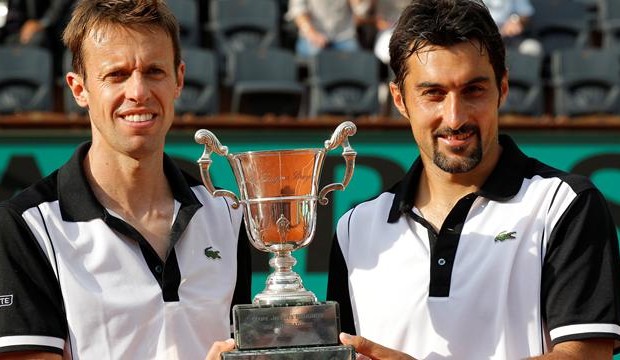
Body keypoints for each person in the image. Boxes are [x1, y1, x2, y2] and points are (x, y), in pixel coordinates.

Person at [326, 0, 620, 359]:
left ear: (503, 88)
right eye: (433, 93)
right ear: (400, 100)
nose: (455, 117)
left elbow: (586, 356)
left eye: (473, 90)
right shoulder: (355, 228)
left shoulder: (564, 204)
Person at [0, 0, 251, 359]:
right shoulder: (25, 227)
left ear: (178, 79)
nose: (138, 92)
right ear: (79, 89)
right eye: (116, 74)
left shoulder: (225, 212)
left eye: (154, 71)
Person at [286, 0, 371, 58]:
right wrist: (312, 34)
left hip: (344, 36)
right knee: (316, 57)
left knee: (356, 59)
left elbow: (361, 13)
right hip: (313, 36)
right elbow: (298, 12)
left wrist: (357, 4)